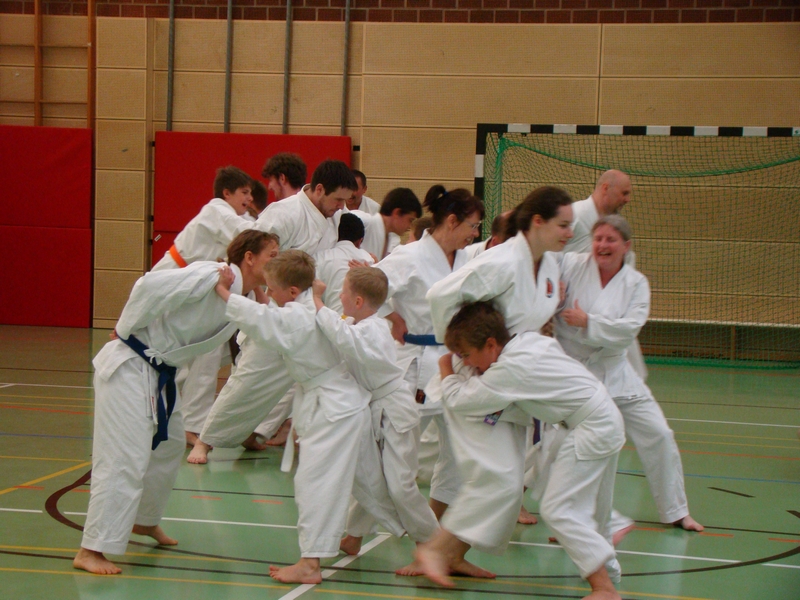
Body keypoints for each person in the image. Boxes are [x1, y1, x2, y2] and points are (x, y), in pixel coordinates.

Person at [73, 230, 278, 575]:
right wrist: (125, 329)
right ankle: (91, 548)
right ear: (249, 257)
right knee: (124, 457)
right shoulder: (212, 274)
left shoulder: (239, 293)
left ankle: (143, 520)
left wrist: (257, 292)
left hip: (159, 373)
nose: (277, 259)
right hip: (130, 367)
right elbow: (147, 287)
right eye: (272, 254)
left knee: (168, 447)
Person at [415, 302, 625, 600]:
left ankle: (604, 589)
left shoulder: (512, 368)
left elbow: (464, 400)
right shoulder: (528, 341)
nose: (468, 363)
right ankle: (610, 577)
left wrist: (447, 370)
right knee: (597, 511)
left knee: (559, 510)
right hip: (598, 417)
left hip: (592, 426)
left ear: (491, 344)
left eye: (467, 355)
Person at [215, 250, 399, 584]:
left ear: (291, 291)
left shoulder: (298, 316)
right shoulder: (304, 308)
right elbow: (269, 314)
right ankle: (427, 539)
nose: (268, 293)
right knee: (371, 483)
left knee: (316, 483)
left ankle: (310, 563)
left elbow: (261, 317)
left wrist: (223, 291)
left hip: (334, 410)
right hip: (343, 405)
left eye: (271, 289)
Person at [187, 161, 357, 464]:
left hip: (304, 306)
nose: (341, 206)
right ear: (319, 189)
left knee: (292, 379)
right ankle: (205, 441)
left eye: (345, 200)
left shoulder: (331, 218)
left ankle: (252, 431)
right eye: (338, 199)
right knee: (250, 378)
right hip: (275, 306)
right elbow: (250, 254)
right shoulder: (285, 213)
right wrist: (260, 296)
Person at [426, 186, 575, 525]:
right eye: (564, 225)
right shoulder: (503, 261)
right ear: (538, 221)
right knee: (496, 484)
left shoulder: (548, 266)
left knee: (500, 485)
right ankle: (434, 547)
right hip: (480, 376)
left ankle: (437, 546)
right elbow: (439, 296)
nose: (570, 233)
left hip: (513, 379)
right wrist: (459, 347)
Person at [556, 215, 703, 537]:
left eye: (610, 240)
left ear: (626, 246)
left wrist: (588, 321)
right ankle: (574, 519)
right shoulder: (570, 264)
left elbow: (629, 330)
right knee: (566, 445)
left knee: (659, 433)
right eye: (598, 238)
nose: (602, 245)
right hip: (576, 373)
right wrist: (552, 288)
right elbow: (541, 273)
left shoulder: (636, 283)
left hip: (616, 370)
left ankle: (677, 511)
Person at [311, 268, 440, 565]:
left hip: (395, 409)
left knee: (400, 485)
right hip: (376, 408)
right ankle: (354, 537)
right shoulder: (357, 323)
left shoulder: (373, 329)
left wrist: (316, 299)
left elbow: (342, 336)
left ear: (357, 301)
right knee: (373, 477)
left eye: (343, 291)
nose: (339, 295)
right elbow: (338, 330)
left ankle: (432, 544)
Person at [375, 185, 484, 523]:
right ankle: (355, 531)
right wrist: (392, 316)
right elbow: (366, 286)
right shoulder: (408, 256)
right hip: (415, 362)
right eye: (472, 226)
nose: (475, 233)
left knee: (459, 452)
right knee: (399, 453)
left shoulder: (467, 259)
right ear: (451, 221)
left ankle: (434, 524)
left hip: (457, 363)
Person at [151, 165, 254, 271]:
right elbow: (253, 235)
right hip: (171, 271)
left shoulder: (231, 214)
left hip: (184, 273)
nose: (250, 198)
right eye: (244, 192)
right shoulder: (218, 211)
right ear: (227, 193)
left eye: (250, 193)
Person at [315, 213, 375, 314]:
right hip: (360, 320)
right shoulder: (368, 260)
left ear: (335, 234)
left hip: (327, 318)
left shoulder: (320, 257)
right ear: (360, 241)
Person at [565, 170, 632, 254]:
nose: (627, 200)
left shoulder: (618, 224)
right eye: (624, 193)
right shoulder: (575, 213)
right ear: (605, 188)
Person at [353, 187, 422, 260]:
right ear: (397, 213)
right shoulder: (365, 221)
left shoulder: (391, 238)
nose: (409, 227)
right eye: (410, 220)